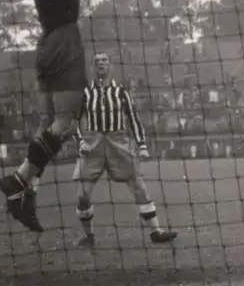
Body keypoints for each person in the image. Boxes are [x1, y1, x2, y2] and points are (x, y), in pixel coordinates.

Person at [0, 0, 115, 232]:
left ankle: (24, 197)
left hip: (46, 44)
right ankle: (19, 180)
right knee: (65, 121)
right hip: (65, 42)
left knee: (47, 123)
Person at [73, 52, 178, 247]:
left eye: (104, 60)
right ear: (92, 67)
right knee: (83, 195)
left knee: (138, 187)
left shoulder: (121, 92)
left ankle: (156, 232)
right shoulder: (86, 93)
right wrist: (81, 142)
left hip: (119, 142)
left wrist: (142, 145)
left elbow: (133, 119)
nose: (101, 64)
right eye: (97, 62)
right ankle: (89, 236)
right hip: (93, 145)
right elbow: (75, 121)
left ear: (110, 65)